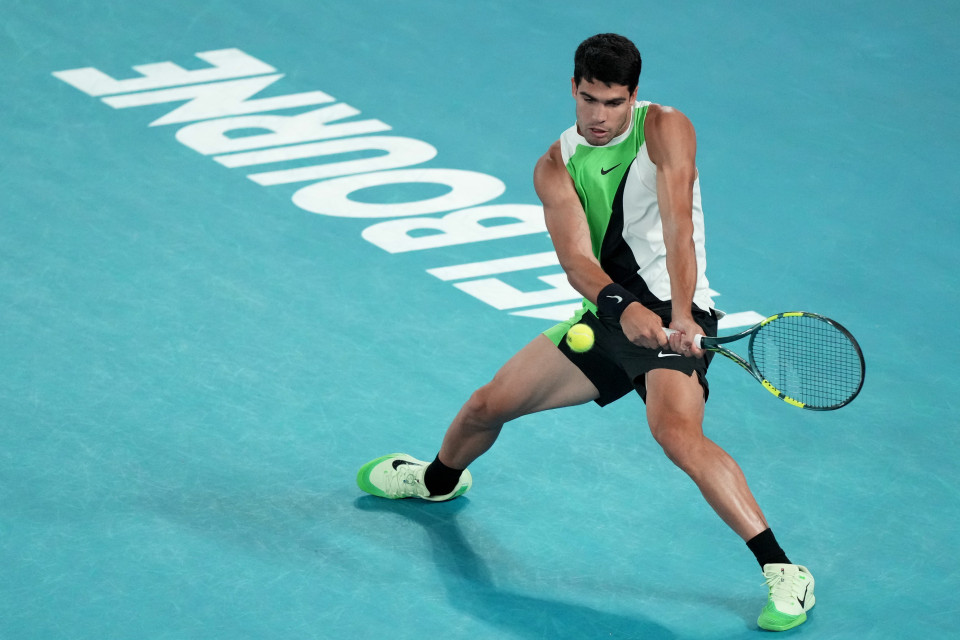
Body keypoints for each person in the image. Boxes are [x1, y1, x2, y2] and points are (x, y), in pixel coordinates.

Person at [356, 33, 815, 632]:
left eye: (614, 102)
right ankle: (436, 480)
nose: (600, 115)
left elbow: (678, 223)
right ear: (573, 88)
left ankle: (784, 570)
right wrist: (622, 309)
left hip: (678, 309)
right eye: (589, 99)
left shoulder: (666, 128)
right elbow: (576, 262)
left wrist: (679, 315)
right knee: (487, 405)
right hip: (606, 314)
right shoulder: (555, 165)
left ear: (634, 97)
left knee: (676, 433)